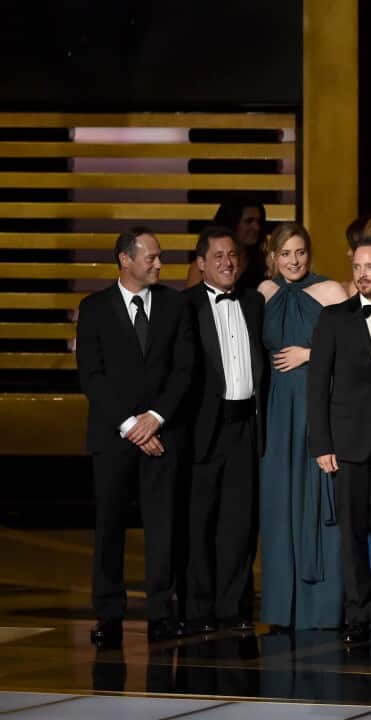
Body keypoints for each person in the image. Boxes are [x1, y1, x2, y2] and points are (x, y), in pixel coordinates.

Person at [77, 227, 194, 646]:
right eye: (152, 257)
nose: (160, 264)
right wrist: (131, 425)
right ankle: (108, 614)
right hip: (114, 438)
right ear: (125, 260)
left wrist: (156, 418)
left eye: (160, 257)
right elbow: (92, 375)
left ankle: (163, 613)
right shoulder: (93, 308)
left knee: (163, 526)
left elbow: (185, 370)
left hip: (162, 435)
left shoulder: (175, 305)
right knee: (109, 526)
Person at [307, 238, 371, 649]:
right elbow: (318, 385)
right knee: (351, 534)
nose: (363, 273)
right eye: (358, 266)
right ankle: (357, 614)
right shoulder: (333, 318)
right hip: (347, 441)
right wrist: (321, 443)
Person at [257, 223, 349, 630]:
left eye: (300, 252)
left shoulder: (330, 292)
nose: (294, 261)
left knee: (317, 499)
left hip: (316, 408)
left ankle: (321, 607)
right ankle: (281, 609)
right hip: (277, 413)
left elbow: (356, 347)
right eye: (286, 254)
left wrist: (310, 354)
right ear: (273, 257)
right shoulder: (264, 293)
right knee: (280, 503)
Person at [182, 226, 267, 634]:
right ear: (201, 263)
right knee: (199, 523)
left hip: (245, 427)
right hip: (202, 429)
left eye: (232, 255)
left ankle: (234, 607)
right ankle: (198, 610)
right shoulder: (183, 306)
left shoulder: (253, 302)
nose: (227, 262)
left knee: (239, 522)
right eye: (217, 256)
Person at [186, 199, 269, 293]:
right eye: (249, 221)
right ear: (232, 222)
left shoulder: (264, 263)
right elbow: (192, 302)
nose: (256, 227)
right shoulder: (202, 267)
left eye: (258, 222)